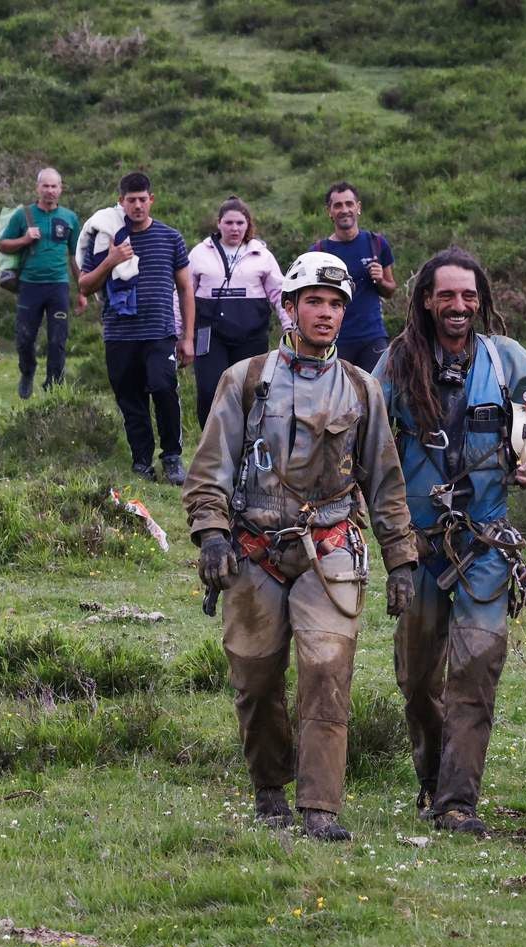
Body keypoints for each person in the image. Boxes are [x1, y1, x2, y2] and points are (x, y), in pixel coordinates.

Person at [182, 251, 417, 841]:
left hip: (331, 551)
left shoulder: (364, 391)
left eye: (337, 304)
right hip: (253, 550)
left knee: (327, 674)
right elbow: (209, 468)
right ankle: (269, 789)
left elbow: (386, 482)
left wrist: (402, 560)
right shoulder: (245, 380)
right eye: (314, 300)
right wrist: (211, 534)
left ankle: (320, 808)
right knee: (256, 681)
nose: (327, 313)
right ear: (288, 307)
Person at [375, 247, 526, 837]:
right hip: (416, 549)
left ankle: (457, 801)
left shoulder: (505, 358)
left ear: (481, 300)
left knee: (475, 666)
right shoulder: (396, 363)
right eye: (446, 295)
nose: (458, 305)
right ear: (425, 301)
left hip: (487, 548)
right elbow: (360, 427)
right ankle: (434, 777)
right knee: (417, 678)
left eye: (468, 295)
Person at [79, 172, 195, 485]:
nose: (138, 205)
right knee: (131, 401)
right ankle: (141, 461)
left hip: (159, 332)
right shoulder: (107, 238)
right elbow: (85, 285)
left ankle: (172, 458)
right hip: (119, 334)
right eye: (131, 200)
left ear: (151, 200)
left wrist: (188, 337)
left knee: (163, 389)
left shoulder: (170, 238)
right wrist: (111, 260)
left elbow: (186, 289)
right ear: (121, 202)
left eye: (143, 199)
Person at [187, 197, 290, 429]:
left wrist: (290, 327)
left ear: (248, 225)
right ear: (218, 223)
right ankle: (211, 443)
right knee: (209, 390)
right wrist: (179, 333)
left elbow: (280, 295)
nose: (234, 228)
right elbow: (182, 295)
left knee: (249, 392)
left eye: (240, 223)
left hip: (251, 335)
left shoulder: (262, 255)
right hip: (209, 335)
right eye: (229, 223)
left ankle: (247, 444)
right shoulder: (199, 253)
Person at [0, 167, 86, 398]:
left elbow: (75, 256)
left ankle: (53, 385)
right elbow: (3, 244)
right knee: (24, 338)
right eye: (45, 186)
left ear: (61, 189)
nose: (50, 191)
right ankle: (27, 371)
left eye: (54, 186)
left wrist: (83, 291)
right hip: (30, 285)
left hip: (58, 286)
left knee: (58, 340)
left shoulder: (70, 218)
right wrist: (25, 239)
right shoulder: (23, 215)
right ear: (37, 188)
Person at [311, 183, 396, 373]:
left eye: (349, 204)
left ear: (358, 207)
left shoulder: (377, 243)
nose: (344, 210)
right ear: (329, 212)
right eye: (338, 205)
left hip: (372, 337)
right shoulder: (318, 252)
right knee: (337, 399)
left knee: (376, 395)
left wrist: (381, 280)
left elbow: (390, 290)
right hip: (334, 339)